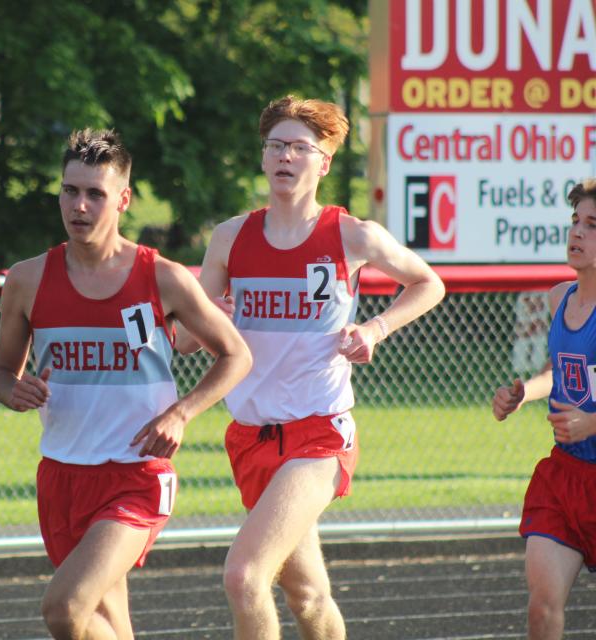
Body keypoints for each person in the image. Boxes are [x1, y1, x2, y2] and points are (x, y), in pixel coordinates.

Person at [175, 95, 445, 639]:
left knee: (245, 576)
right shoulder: (230, 238)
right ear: (262, 156)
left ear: (323, 162)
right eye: (276, 145)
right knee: (307, 594)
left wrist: (375, 328)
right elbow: (183, 339)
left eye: (300, 147)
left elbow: (429, 283)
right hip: (251, 437)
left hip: (319, 434)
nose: (285, 156)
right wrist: (212, 322)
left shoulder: (352, 236)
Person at [0, 128, 252, 639]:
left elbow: (236, 355)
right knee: (102, 623)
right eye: (70, 191)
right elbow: (3, 374)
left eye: (95, 193)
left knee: (64, 609)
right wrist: (13, 391)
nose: (79, 205)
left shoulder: (162, 277)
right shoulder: (27, 279)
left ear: (124, 199)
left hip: (136, 475)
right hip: (63, 475)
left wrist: (181, 413)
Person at [492, 178, 596, 640]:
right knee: (542, 609)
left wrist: (591, 421)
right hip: (566, 476)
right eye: (576, 221)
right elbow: (562, 371)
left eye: (593, 225)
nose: (577, 232)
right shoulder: (560, 299)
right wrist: (525, 393)